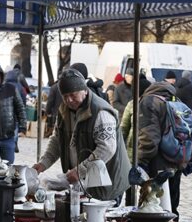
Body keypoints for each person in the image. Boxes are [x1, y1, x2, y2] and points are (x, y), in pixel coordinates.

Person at [33, 68, 130, 202]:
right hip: (84, 183)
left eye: (73, 95)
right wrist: (43, 163)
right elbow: (57, 140)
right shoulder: (64, 111)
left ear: (84, 90)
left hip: (107, 182)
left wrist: (81, 170)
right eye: (65, 96)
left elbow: (107, 148)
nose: (69, 100)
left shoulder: (101, 112)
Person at [138, 80, 186, 216]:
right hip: (177, 159)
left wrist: (142, 162)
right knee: (172, 206)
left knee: (153, 209)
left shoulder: (149, 101)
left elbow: (149, 137)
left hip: (157, 162)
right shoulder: (176, 100)